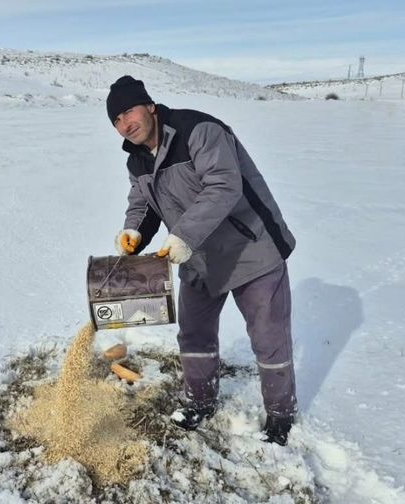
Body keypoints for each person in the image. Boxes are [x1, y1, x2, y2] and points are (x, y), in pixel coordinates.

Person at [107, 75, 297, 446]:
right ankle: (199, 400)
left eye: (129, 111)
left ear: (149, 106)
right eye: (115, 120)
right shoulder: (137, 161)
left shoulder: (198, 130)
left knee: (268, 336)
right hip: (196, 254)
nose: (124, 124)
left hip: (250, 247)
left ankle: (280, 413)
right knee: (193, 332)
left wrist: (183, 236)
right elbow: (143, 203)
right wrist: (135, 231)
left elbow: (224, 185)